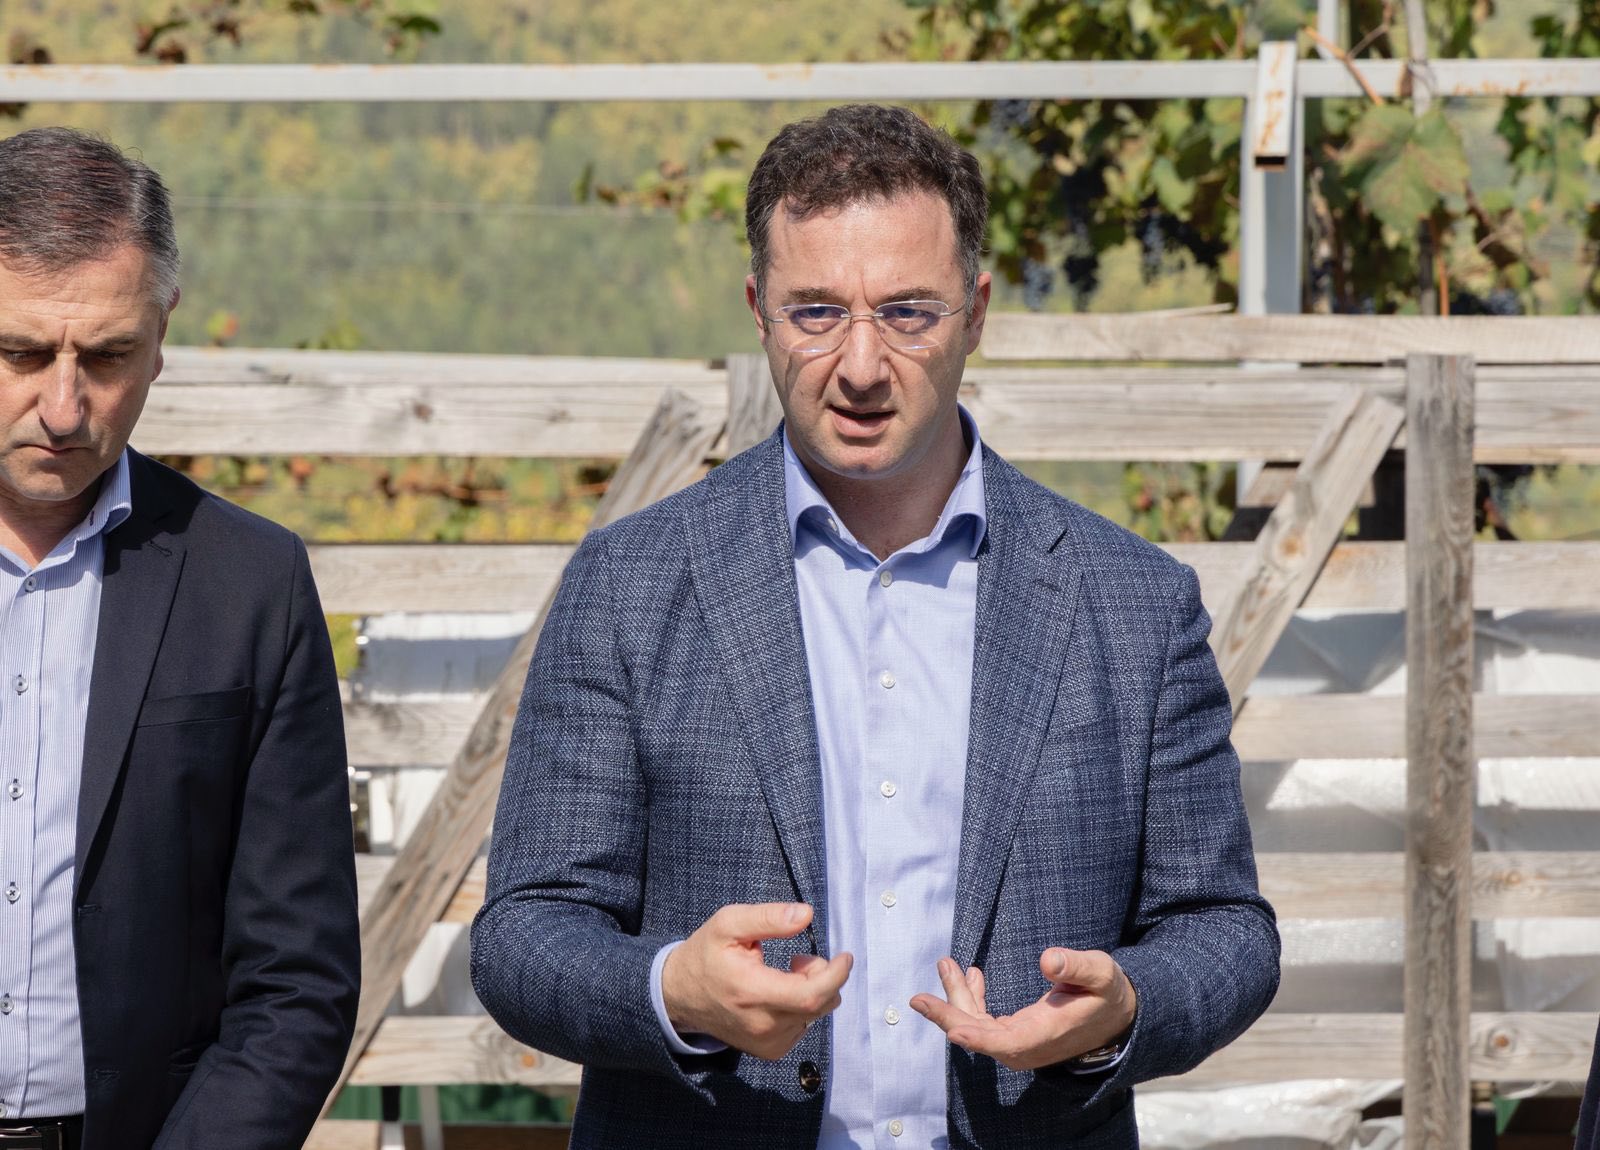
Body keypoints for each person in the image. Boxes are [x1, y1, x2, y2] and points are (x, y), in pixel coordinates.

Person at [471, 103, 1279, 1148]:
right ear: (758, 310)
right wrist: (673, 988)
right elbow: (524, 935)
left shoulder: (1131, 601)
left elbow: (1224, 930)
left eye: (906, 313)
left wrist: (1124, 1007)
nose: (859, 365)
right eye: (815, 313)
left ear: (976, 312)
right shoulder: (630, 585)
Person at [0, 127, 358, 1150]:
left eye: (107, 357)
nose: (63, 407)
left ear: (162, 336)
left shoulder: (247, 583)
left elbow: (297, 977)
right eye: (21, 353)